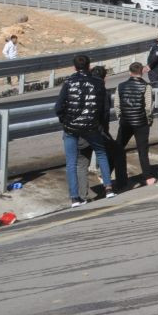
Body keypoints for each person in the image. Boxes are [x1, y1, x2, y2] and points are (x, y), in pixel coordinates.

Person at [54, 54, 115, 207]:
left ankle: (75, 197)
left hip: (71, 127)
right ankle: (108, 188)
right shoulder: (97, 83)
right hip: (91, 126)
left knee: (71, 162)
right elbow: (102, 108)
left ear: (74, 67)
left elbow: (58, 107)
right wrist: (98, 124)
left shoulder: (68, 82)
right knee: (101, 154)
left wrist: (65, 121)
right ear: (89, 66)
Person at [111, 62, 154, 189]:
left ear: (129, 72)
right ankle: (148, 177)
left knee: (118, 148)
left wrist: (121, 117)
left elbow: (117, 106)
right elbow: (148, 107)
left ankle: (111, 175)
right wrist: (148, 120)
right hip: (141, 122)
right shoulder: (146, 86)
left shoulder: (121, 86)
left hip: (125, 122)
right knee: (142, 150)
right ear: (141, 72)